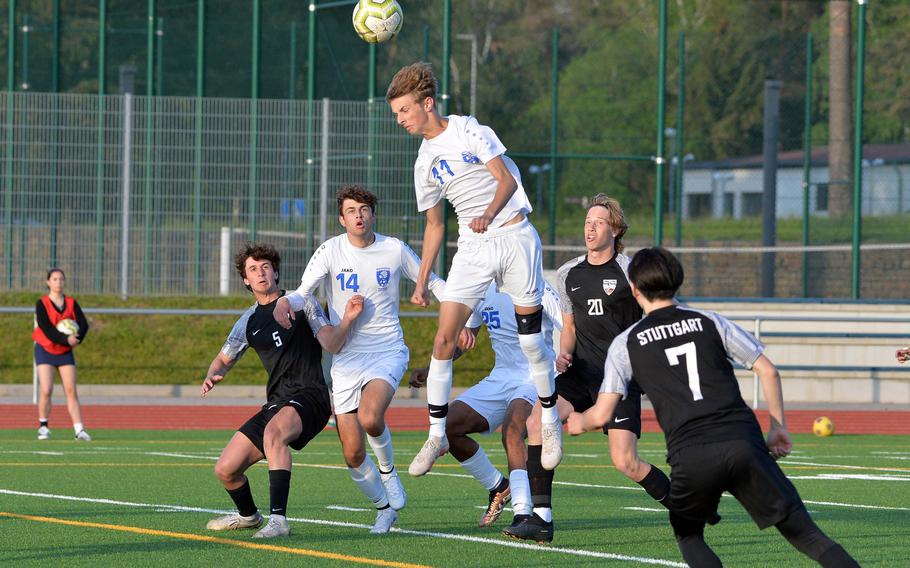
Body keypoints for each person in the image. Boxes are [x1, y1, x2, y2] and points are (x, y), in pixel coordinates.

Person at [567, 247, 859, 567]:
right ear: (677, 282)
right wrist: (777, 427)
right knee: (807, 535)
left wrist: (578, 421)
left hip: (691, 455)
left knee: (690, 536)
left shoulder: (627, 343)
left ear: (634, 289)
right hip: (742, 442)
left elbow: (603, 414)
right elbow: (767, 370)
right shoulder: (709, 320)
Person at [386, 61, 560, 477]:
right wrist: (424, 280)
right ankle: (435, 432)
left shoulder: (470, 130)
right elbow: (434, 225)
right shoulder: (423, 164)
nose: (401, 120)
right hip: (474, 248)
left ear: (427, 103)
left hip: (515, 237)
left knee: (533, 342)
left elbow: (507, 181)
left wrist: (488, 214)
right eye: (396, 114)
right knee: (444, 338)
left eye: (405, 111)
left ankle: (550, 419)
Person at [273, 185, 445, 533]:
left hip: (386, 351)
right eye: (352, 210)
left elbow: (432, 281)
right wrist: (283, 303)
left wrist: (457, 305)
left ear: (372, 214)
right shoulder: (330, 251)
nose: (359, 215)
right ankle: (384, 508)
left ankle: (389, 472)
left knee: (370, 416)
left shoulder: (393, 249)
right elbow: (302, 293)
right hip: (347, 361)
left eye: (364, 209)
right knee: (352, 454)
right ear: (342, 219)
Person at [508, 195, 673, 543]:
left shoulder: (631, 271)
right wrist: (562, 355)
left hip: (618, 380)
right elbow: (568, 327)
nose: (590, 227)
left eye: (598, 222)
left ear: (614, 229)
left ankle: (683, 507)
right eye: (587, 222)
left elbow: (655, 316)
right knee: (537, 421)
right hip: (579, 375)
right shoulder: (569, 272)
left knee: (625, 462)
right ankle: (542, 519)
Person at [201, 243, 363, 539]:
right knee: (226, 469)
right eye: (253, 269)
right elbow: (224, 359)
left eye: (265, 267)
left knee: (274, 435)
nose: (261, 273)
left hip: (310, 396)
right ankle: (249, 517)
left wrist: (349, 320)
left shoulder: (301, 303)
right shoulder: (247, 321)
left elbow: (331, 343)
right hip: (277, 402)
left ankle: (278, 521)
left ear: (276, 272)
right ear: (246, 280)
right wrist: (213, 375)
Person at [409, 281, 561, 529]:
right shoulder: (480, 286)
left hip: (535, 377)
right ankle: (499, 487)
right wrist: (431, 368)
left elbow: (570, 325)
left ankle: (523, 513)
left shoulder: (537, 286)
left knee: (512, 431)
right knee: (447, 427)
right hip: (501, 377)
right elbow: (464, 341)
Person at [32, 268, 91, 441]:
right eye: (55, 279)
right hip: (45, 348)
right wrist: (66, 339)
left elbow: (83, 325)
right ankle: (43, 426)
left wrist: (77, 338)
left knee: (71, 390)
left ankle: (79, 430)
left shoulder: (72, 303)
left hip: (64, 352)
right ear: (48, 282)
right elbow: (47, 330)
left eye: (61, 279)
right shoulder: (41, 303)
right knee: (46, 389)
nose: (58, 283)